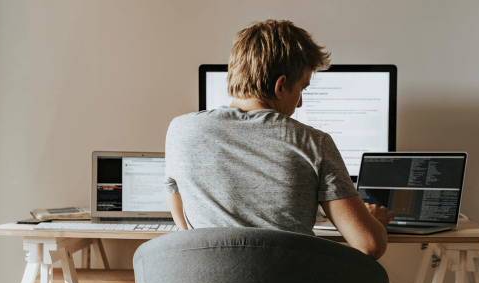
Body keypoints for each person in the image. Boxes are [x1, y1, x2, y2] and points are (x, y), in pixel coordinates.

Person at [164, 19, 394, 260]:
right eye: (302, 89)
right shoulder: (313, 142)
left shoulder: (180, 130)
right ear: (281, 85)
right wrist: (374, 223)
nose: (301, 102)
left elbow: (186, 231)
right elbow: (369, 245)